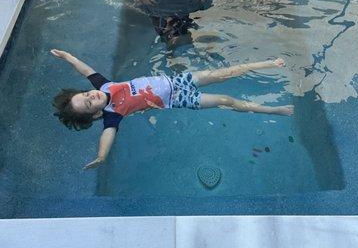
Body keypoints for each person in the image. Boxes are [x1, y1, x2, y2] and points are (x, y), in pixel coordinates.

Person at [51, 49, 294, 169]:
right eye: (89, 103)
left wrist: (67, 56)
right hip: (178, 99)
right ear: (95, 114)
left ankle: (268, 63)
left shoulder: (103, 84)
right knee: (225, 100)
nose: (91, 96)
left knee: (223, 74)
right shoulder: (113, 114)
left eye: (85, 94)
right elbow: (107, 135)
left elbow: (85, 70)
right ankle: (274, 110)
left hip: (177, 82)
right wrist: (102, 156)